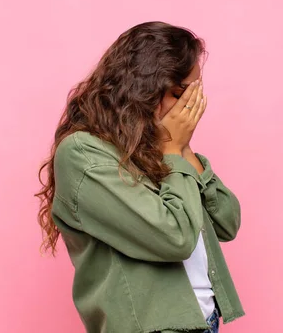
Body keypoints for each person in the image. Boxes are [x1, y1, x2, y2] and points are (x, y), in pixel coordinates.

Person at [36, 21, 244, 333]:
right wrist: (174, 149)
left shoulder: (158, 147)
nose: (189, 108)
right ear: (142, 88)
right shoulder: (83, 153)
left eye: (193, 96)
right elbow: (175, 238)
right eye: (178, 94)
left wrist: (182, 149)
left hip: (205, 323)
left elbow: (227, 222)